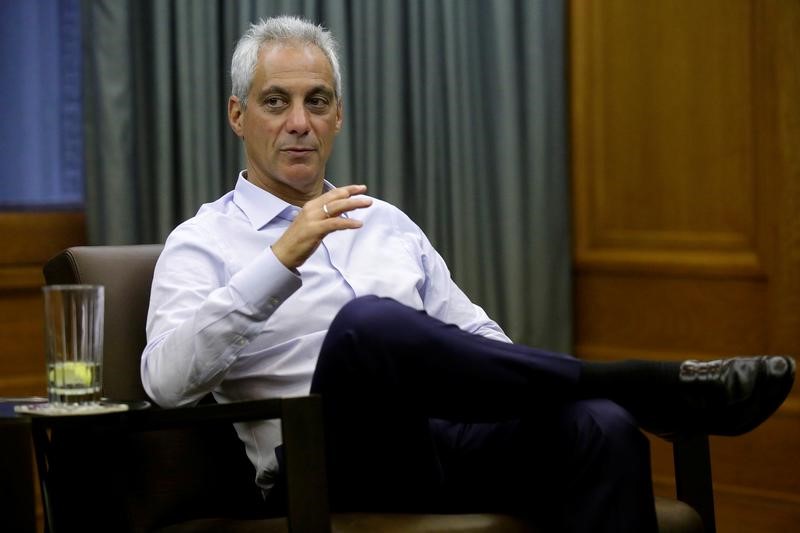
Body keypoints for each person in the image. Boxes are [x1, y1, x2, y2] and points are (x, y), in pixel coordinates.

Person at [141, 15, 795, 532]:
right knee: (367, 325)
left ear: (338, 116)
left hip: (441, 443)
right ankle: (641, 383)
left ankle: (619, 396)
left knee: (603, 425)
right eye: (275, 102)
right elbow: (165, 381)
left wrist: (546, 396)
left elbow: (480, 340)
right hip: (325, 464)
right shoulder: (201, 241)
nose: (299, 123)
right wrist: (280, 258)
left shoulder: (387, 223)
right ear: (237, 115)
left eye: (317, 102)